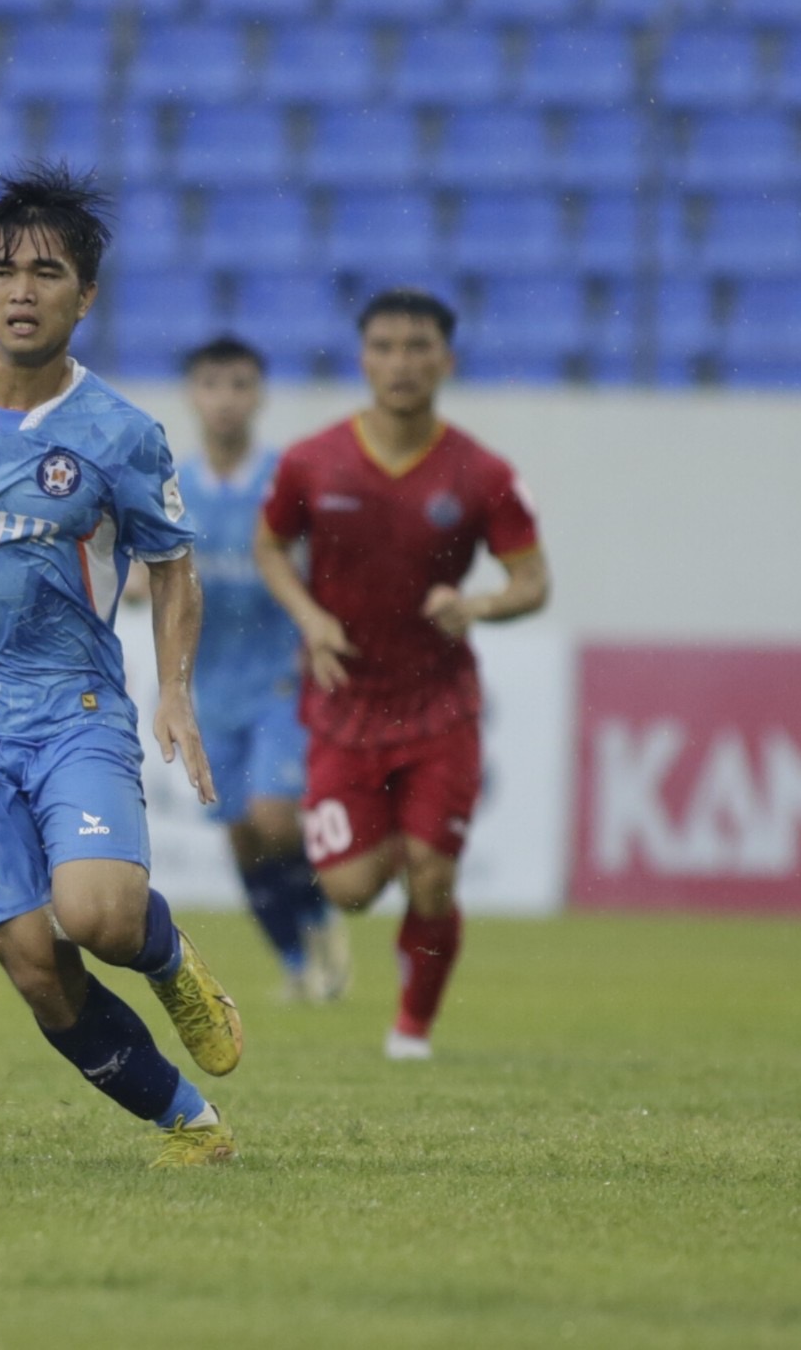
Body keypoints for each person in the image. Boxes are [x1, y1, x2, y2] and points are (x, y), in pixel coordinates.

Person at [0, 163, 244, 1168]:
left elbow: (175, 569)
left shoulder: (120, 435)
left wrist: (174, 691)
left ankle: (166, 955)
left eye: (46, 272)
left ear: (84, 296)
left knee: (96, 915)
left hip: (69, 708)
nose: (21, 289)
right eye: (3, 269)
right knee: (34, 965)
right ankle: (188, 1122)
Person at [253, 289, 550, 1060]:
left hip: (439, 706)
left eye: (419, 347)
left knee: (433, 878)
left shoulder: (481, 473)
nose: (401, 362)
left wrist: (478, 604)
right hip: (342, 703)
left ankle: (412, 1025)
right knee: (350, 890)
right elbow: (268, 548)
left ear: (446, 360)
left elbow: (533, 582)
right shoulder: (311, 460)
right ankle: (403, 853)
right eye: (385, 346)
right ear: (364, 358)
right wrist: (311, 618)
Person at [176, 336, 349, 1003]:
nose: (226, 398)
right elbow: (148, 569)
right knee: (243, 836)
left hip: (282, 680)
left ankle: (318, 921)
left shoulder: (289, 480)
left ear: (259, 395)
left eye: (240, 384)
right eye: (213, 383)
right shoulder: (175, 486)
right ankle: (296, 962)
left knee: (276, 817)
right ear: (194, 394)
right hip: (209, 688)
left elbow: (331, 563)